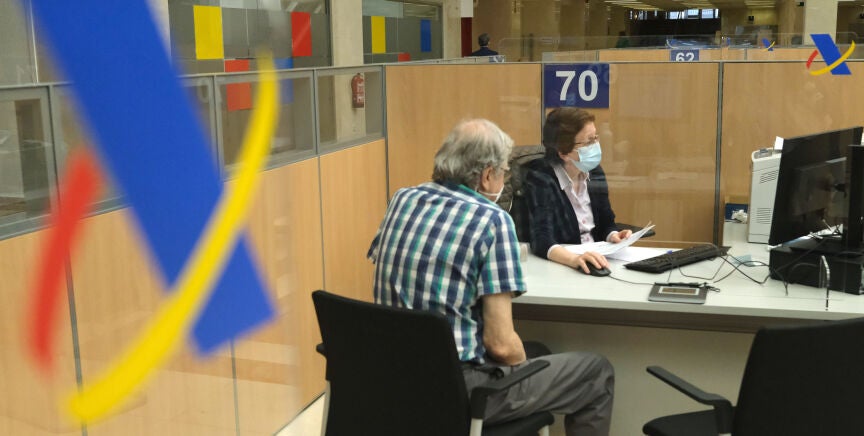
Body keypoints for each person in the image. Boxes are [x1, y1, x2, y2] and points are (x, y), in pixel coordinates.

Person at [368, 119, 614, 436]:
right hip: (457, 390)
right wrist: (521, 372)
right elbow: (501, 346)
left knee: (539, 351)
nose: (504, 180)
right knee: (595, 372)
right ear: (487, 176)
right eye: (503, 173)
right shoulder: (492, 220)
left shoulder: (402, 199)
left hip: (393, 378)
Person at [523, 107, 632, 274]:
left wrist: (613, 235)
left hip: (599, 260)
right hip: (561, 268)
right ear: (564, 152)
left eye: (596, 138)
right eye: (589, 142)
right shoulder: (540, 179)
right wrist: (574, 260)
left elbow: (606, 222)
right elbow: (542, 239)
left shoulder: (595, 173)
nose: (596, 145)